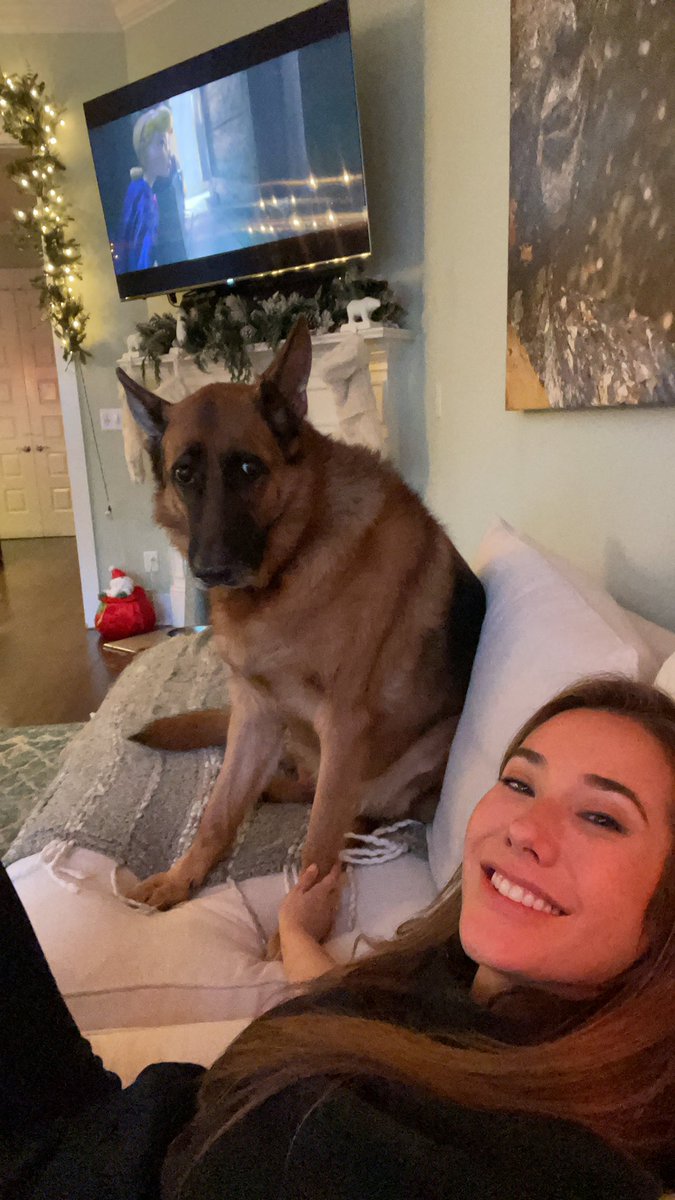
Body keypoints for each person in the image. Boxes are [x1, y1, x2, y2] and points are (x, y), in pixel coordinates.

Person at [1, 676, 674, 1198]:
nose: (523, 828)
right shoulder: (457, 979)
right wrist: (296, 932)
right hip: (113, 1129)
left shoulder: (533, 1159)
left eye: (601, 817)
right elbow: (370, 1027)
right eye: (519, 782)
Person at [116, 105, 186, 274]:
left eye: (167, 143)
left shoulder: (140, 189)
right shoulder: (143, 197)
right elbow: (140, 263)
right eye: (161, 143)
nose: (169, 153)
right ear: (143, 151)